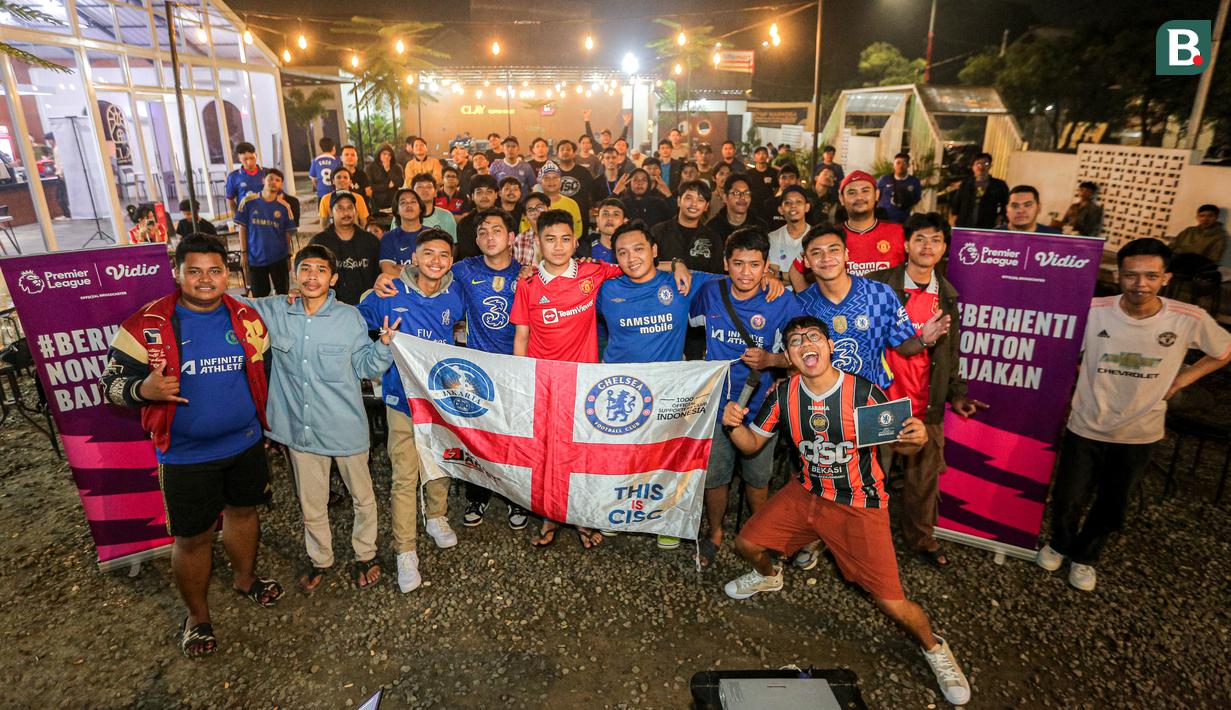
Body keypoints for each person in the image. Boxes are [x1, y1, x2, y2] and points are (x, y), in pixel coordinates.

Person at [719, 315, 972, 706]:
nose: (806, 344)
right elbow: (752, 444)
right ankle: (768, 577)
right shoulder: (783, 394)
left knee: (891, 602)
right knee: (747, 545)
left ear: (830, 346)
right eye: (796, 341)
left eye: (813, 337)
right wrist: (733, 426)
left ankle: (935, 647)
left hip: (859, 504)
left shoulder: (864, 393)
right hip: (805, 493)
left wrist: (916, 437)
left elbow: (900, 446)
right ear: (788, 356)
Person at [100, 235, 282, 659]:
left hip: (245, 444)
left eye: (214, 271)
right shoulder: (143, 325)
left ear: (227, 274)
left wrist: (261, 427)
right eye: (194, 271)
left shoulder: (247, 318)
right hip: (185, 455)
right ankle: (197, 617)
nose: (205, 280)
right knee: (194, 538)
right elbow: (109, 388)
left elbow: (264, 371)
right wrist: (142, 389)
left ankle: (244, 578)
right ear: (177, 272)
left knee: (243, 514)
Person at [1037, 238, 1231, 591]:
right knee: (1067, 497)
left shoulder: (1189, 318)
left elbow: (1223, 351)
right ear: (1117, 275)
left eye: (1151, 276)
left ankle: (1085, 557)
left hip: (1140, 433)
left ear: (1166, 278)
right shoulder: (1093, 309)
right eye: (1131, 276)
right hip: (1086, 424)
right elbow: (1062, 349)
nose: (1140, 284)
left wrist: (1180, 380)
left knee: (1114, 504)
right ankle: (1060, 544)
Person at [511, 209, 690, 547]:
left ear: (575, 242)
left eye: (565, 239)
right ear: (537, 242)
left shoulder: (593, 273)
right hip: (544, 384)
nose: (558, 246)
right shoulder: (528, 282)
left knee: (583, 454)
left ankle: (582, 516)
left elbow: (638, 265)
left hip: (584, 383)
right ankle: (549, 517)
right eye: (549, 239)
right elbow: (521, 337)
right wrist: (522, 383)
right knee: (548, 455)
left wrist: (677, 263)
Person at [245, 244, 394, 592]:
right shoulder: (277, 309)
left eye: (321, 270)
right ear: (295, 274)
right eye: (306, 268)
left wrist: (384, 345)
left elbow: (364, 366)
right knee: (311, 502)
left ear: (334, 278)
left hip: (344, 425)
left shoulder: (349, 318)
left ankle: (365, 554)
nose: (313, 276)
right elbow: (232, 306)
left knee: (363, 496)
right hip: (300, 429)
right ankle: (321, 559)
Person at [867, 214, 987, 567]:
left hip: (925, 400)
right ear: (906, 244)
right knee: (872, 473)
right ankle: (865, 537)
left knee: (923, 478)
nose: (927, 246)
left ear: (944, 248)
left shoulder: (947, 297)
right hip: (882, 396)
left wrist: (957, 393)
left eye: (935, 240)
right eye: (920, 238)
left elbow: (952, 351)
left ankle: (920, 537)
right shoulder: (879, 285)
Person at [358, 229, 465, 593]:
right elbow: (354, 317)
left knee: (440, 462)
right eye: (428, 253)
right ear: (414, 258)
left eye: (444, 255)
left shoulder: (456, 291)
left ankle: (436, 515)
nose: (436, 260)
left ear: (451, 261)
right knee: (404, 474)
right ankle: (405, 550)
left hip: (441, 401)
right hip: (401, 400)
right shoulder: (391, 292)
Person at [688, 228, 802, 565]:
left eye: (754, 264)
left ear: (766, 265)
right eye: (738, 263)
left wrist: (771, 360)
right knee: (716, 475)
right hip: (719, 403)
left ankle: (760, 534)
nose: (746, 272)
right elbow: (685, 318)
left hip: (760, 404)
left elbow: (799, 356)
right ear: (726, 264)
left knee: (757, 476)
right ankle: (714, 532)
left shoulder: (781, 300)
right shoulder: (710, 293)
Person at [447, 209, 531, 531]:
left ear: (511, 238)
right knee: (479, 435)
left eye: (497, 230)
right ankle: (477, 494)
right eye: (482, 232)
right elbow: (427, 276)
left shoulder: (526, 274)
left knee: (513, 434)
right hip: (477, 368)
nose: (489, 236)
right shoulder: (465, 269)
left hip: (515, 368)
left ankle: (515, 497)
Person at [793, 225, 948, 389]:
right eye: (816, 253)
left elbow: (903, 345)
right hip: (824, 399)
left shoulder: (880, 294)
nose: (826, 258)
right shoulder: (801, 305)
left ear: (846, 255)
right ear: (807, 261)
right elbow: (793, 357)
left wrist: (923, 340)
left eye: (834, 250)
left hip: (871, 397)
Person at [788, 171, 906, 288]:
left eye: (865, 191)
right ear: (841, 198)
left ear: (877, 194)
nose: (859, 197)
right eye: (851, 192)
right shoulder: (829, 236)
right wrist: (807, 302)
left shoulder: (898, 232)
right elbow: (796, 270)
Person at [308, 192, 380, 306]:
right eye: (340, 208)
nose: (346, 212)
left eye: (350, 207)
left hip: (367, 307)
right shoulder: (319, 243)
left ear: (355, 211)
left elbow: (378, 275)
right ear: (331, 212)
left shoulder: (370, 241)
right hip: (331, 309)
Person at [236, 169, 296, 296]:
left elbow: (287, 234)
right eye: (270, 179)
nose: (273, 182)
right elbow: (242, 228)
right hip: (255, 258)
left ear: (281, 185)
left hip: (279, 257)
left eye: (277, 180)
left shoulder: (284, 207)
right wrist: (244, 253)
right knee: (259, 296)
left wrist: (289, 256)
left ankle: (281, 315)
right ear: (264, 180)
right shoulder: (248, 202)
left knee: (282, 294)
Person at [653, 179, 723, 274]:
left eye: (700, 200)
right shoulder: (658, 232)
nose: (694, 204)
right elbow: (649, 266)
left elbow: (717, 274)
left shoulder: (713, 238)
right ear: (678, 201)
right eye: (688, 198)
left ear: (706, 206)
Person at [949, 152, 1008, 229]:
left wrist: (1000, 217)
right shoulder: (966, 184)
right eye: (978, 164)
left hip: (988, 225)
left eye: (986, 164)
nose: (982, 167)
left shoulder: (999, 185)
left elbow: (1006, 203)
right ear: (973, 167)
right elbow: (956, 204)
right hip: (964, 224)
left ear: (990, 166)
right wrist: (953, 220)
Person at [766, 186, 812, 286]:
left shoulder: (817, 237)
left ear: (807, 207)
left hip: (810, 296)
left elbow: (815, 276)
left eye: (798, 202)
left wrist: (781, 275)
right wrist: (805, 276)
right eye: (788, 202)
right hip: (780, 296)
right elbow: (772, 276)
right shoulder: (772, 238)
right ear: (780, 210)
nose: (793, 206)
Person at [454, 174, 501, 260]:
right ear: (472, 196)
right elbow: (466, 254)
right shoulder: (464, 223)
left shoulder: (505, 219)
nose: (484, 196)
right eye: (479, 192)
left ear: (496, 195)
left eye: (489, 191)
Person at [708, 174, 764, 244]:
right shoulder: (712, 228)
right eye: (736, 193)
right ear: (725, 198)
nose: (742, 197)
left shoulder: (760, 227)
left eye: (746, 193)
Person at [536, 161, 584, 235]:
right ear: (540, 182)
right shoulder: (533, 204)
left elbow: (578, 230)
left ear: (561, 181)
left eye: (555, 177)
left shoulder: (572, 204)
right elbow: (525, 229)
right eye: (547, 178)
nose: (551, 181)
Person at [554, 139, 593, 227]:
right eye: (562, 149)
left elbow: (592, 192)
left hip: (580, 217)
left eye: (568, 149)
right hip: (557, 217)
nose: (565, 152)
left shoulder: (583, 172)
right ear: (557, 154)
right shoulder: (553, 173)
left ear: (574, 153)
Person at [876, 153, 922, 224]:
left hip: (902, 220)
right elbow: (875, 195)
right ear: (893, 164)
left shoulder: (914, 181)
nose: (901, 166)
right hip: (883, 220)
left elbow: (916, 198)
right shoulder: (884, 180)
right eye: (898, 163)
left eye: (904, 163)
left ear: (908, 165)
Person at [410, 172, 458, 239]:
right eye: (420, 187)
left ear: (435, 192)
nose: (425, 190)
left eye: (429, 187)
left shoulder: (447, 216)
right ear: (412, 192)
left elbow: (453, 245)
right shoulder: (402, 216)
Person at [576, 197, 624, 263]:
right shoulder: (581, 252)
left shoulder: (634, 251)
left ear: (624, 221)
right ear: (597, 220)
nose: (610, 218)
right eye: (605, 214)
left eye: (616, 214)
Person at [225, 141, 265, 215]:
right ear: (239, 159)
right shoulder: (233, 177)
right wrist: (237, 217)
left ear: (256, 155)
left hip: (267, 214)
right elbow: (230, 199)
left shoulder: (267, 173)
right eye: (245, 159)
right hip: (246, 216)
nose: (249, 162)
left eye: (252, 158)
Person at [512, 193, 550, 266]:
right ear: (526, 217)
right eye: (531, 210)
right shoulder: (520, 239)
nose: (536, 212)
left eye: (539, 207)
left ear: (549, 209)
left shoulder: (561, 233)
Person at [366, 142, 402, 214]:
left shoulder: (396, 167)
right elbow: (370, 186)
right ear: (379, 154)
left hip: (393, 202)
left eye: (389, 155)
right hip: (377, 202)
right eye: (384, 154)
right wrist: (387, 186)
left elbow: (400, 183)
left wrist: (388, 170)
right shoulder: (370, 168)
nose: (387, 157)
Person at [746, 147, 779, 222]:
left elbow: (777, 188)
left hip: (768, 207)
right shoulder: (748, 173)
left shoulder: (773, 172)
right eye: (758, 154)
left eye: (764, 153)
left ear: (767, 156)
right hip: (752, 206)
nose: (761, 156)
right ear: (755, 157)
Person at [308, 137, 341, 204]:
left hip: (322, 193)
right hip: (335, 192)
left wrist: (318, 188)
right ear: (333, 148)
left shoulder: (316, 160)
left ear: (321, 148)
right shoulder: (337, 161)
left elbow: (313, 179)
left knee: (323, 213)